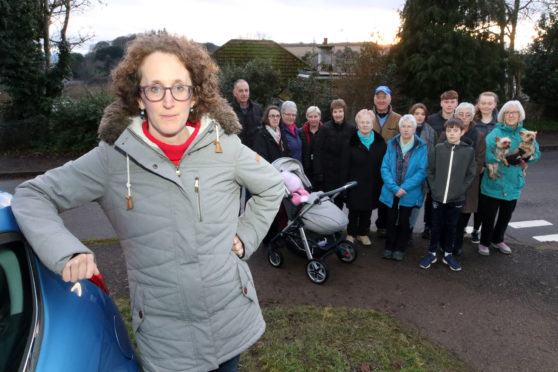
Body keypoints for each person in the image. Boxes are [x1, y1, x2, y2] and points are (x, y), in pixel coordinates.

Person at [11, 33, 284, 372]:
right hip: (167, 339)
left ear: (195, 95)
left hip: (230, 322)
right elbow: (33, 195)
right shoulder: (111, 159)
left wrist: (246, 236)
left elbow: (273, 185)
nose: (168, 101)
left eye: (179, 87)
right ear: (139, 98)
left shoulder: (223, 147)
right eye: (155, 88)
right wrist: (67, 250)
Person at [478, 100, 541, 256]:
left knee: (506, 215)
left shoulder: (527, 133)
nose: (511, 115)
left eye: (515, 112)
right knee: (489, 215)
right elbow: (485, 154)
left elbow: (536, 153)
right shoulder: (495, 133)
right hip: (494, 181)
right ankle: (484, 242)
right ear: (502, 115)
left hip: (514, 182)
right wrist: (502, 160)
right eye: (507, 112)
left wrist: (528, 158)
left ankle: (498, 239)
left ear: (520, 115)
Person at [419, 118, 475, 271]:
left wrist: (460, 189)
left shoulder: (468, 151)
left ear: (462, 132)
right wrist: (435, 188)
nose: (452, 134)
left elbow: (471, 174)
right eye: (449, 131)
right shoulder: (438, 148)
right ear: (445, 132)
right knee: (435, 226)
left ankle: (448, 254)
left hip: (456, 198)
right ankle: (431, 252)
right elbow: (430, 170)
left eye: (455, 131)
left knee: (452, 227)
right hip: (438, 196)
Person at [438, 103, 486, 256]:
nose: (464, 117)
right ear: (455, 115)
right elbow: (438, 154)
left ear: (472, 117)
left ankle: (456, 245)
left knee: (461, 218)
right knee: (445, 217)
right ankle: (442, 244)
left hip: (467, 184)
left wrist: (465, 179)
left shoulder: (478, 135)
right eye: (461, 114)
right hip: (446, 182)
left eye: (467, 115)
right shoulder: (447, 131)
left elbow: (479, 161)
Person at [379, 114, 427, 261]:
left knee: (405, 220)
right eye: (403, 126)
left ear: (414, 129)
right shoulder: (391, 144)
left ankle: (400, 247)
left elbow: (421, 171)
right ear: (400, 128)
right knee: (390, 218)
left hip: (409, 192)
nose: (406, 129)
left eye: (409, 127)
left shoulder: (421, 147)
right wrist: (394, 188)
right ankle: (389, 246)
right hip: (391, 191)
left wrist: (404, 188)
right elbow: (385, 167)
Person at [341, 109, 387, 245]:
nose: (365, 125)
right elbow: (344, 166)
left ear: (372, 124)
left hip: (373, 182)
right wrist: (344, 186)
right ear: (357, 125)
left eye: (368, 122)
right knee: (354, 210)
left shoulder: (380, 143)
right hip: (354, 183)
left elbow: (384, 165)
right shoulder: (350, 142)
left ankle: (363, 233)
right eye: (362, 122)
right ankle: (351, 233)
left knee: (367, 210)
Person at [312, 98, 355, 208]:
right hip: (328, 176)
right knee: (328, 205)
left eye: (340, 111)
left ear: (344, 112)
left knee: (339, 204)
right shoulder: (325, 129)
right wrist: (319, 173)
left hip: (343, 175)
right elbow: (317, 152)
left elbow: (354, 151)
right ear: (332, 113)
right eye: (335, 111)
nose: (338, 114)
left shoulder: (351, 129)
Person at [470, 91, 499, 243]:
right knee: (473, 200)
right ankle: (468, 229)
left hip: (493, 170)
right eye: (483, 103)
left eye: (490, 103)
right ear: (478, 104)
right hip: (476, 169)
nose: (486, 106)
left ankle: (481, 231)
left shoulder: (500, 124)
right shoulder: (472, 123)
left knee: (487, 203)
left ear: (495, 105)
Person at [407, 103, 437, 244]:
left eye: (422, 114)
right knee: (403, 204)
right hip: (405, 175)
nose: (419, 116)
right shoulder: (405, 128)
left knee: (416, 204)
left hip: (422, 176)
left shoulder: (431, 132)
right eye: (416, 113)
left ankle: (409, 230)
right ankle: (400, 229)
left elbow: (433, 154)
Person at [230, 79, 263, 150]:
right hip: (236, 152)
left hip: (256, 152)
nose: (244, 93)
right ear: (234, 93)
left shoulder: (258, 109)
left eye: (246, 90)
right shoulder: (228, 111)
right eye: (241, 91)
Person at [300, 105, 323, 187]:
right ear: (307, 117)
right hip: (306, 171)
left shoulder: (325, 131)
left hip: (321, 171)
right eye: (310, 116)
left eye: (315, 116)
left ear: (319, 117)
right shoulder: (301, 132)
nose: (313, 119)